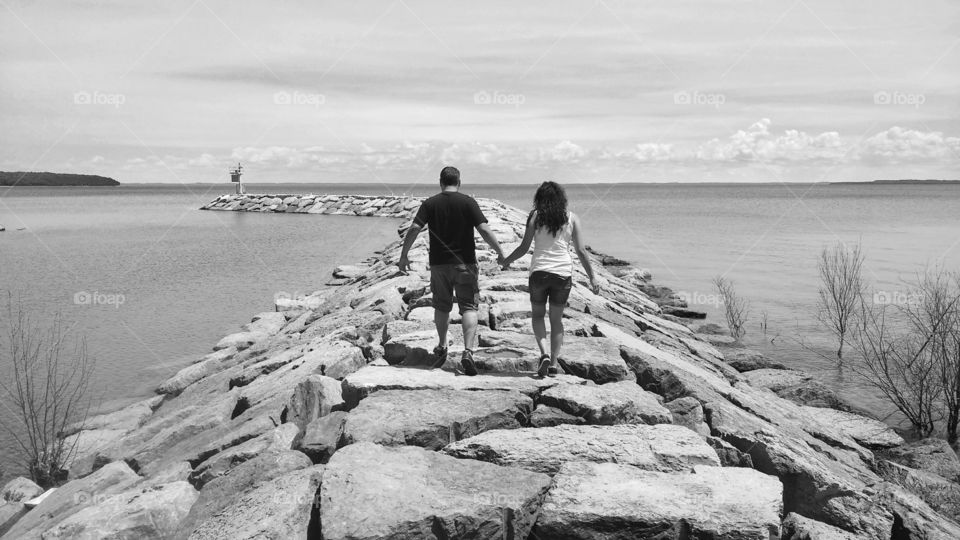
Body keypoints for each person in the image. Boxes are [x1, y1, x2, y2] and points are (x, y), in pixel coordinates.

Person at [398, 166, 506, 376]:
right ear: (459, 182)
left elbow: (413, 229)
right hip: (465, 263)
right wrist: (500, 252)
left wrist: (404, 256)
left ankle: (442, 345)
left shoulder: (429, 204)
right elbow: (484, 229)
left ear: (440, 182)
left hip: (439, 265)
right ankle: (468, 351)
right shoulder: (468, 202)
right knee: (468, 307)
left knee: (442, 306)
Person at [501, 181, 599, 377]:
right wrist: (592, 277)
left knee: (538, 316)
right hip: (562, 275)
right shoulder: (572, 218)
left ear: (540, 198)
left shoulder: (535, 217)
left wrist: (506, 261)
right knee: (556, 320)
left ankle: (544, 353)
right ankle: (553, 363)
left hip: (539, 273)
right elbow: (580, 251)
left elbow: (523, 247)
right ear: (562, 199)